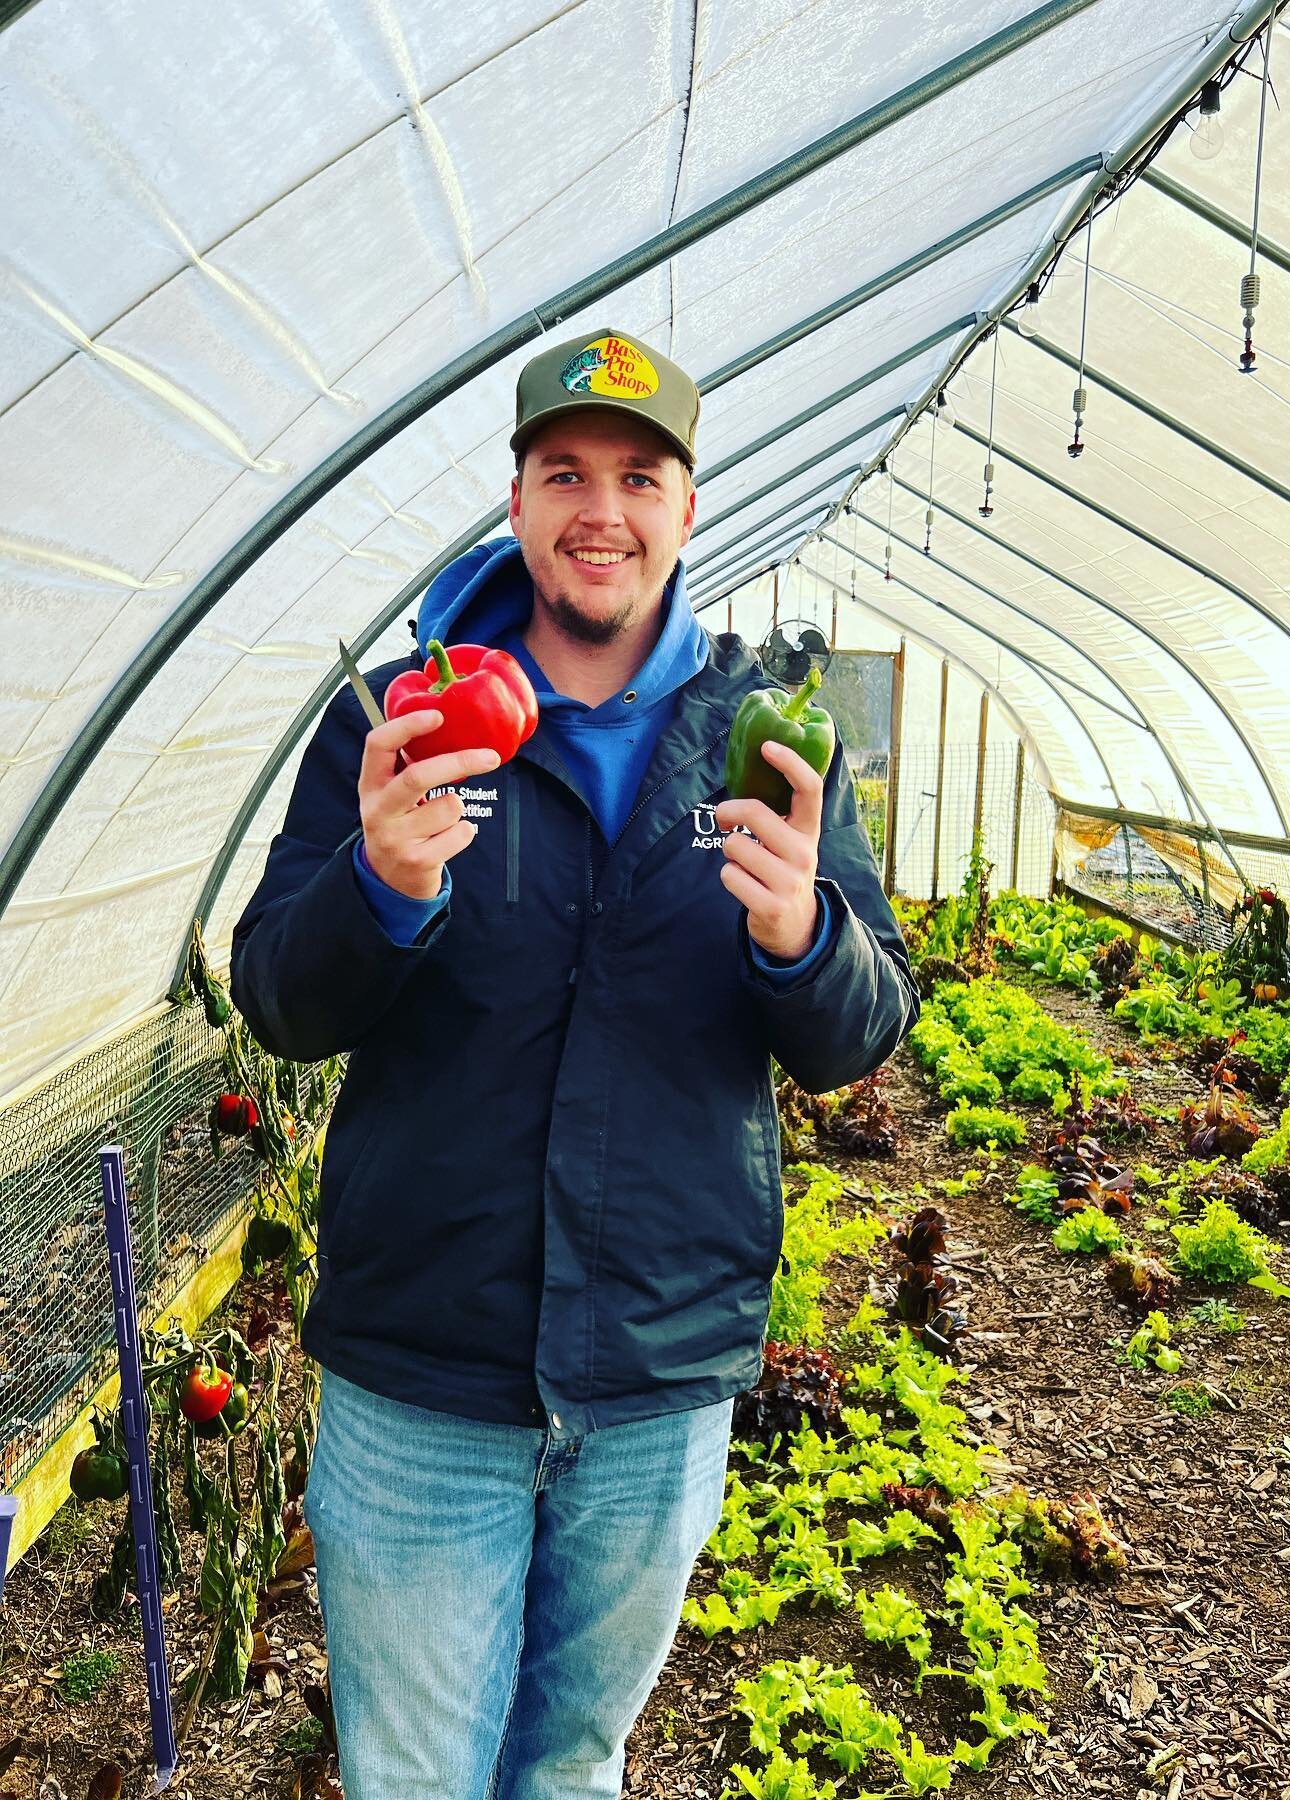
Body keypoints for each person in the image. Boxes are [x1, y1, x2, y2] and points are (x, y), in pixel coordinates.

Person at [230, 326, 918, 1799]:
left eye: (636, 474)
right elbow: (276, 997)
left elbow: (865, 1031)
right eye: (563, 472)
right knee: (416, 1775)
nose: (599, 507)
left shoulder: (763, 735)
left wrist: (803, 933)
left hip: (654, 1382)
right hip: (427, 1378)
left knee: (571, 1769)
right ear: (520, 499)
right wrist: (379, 890)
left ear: (687, 504)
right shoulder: (405, 723)